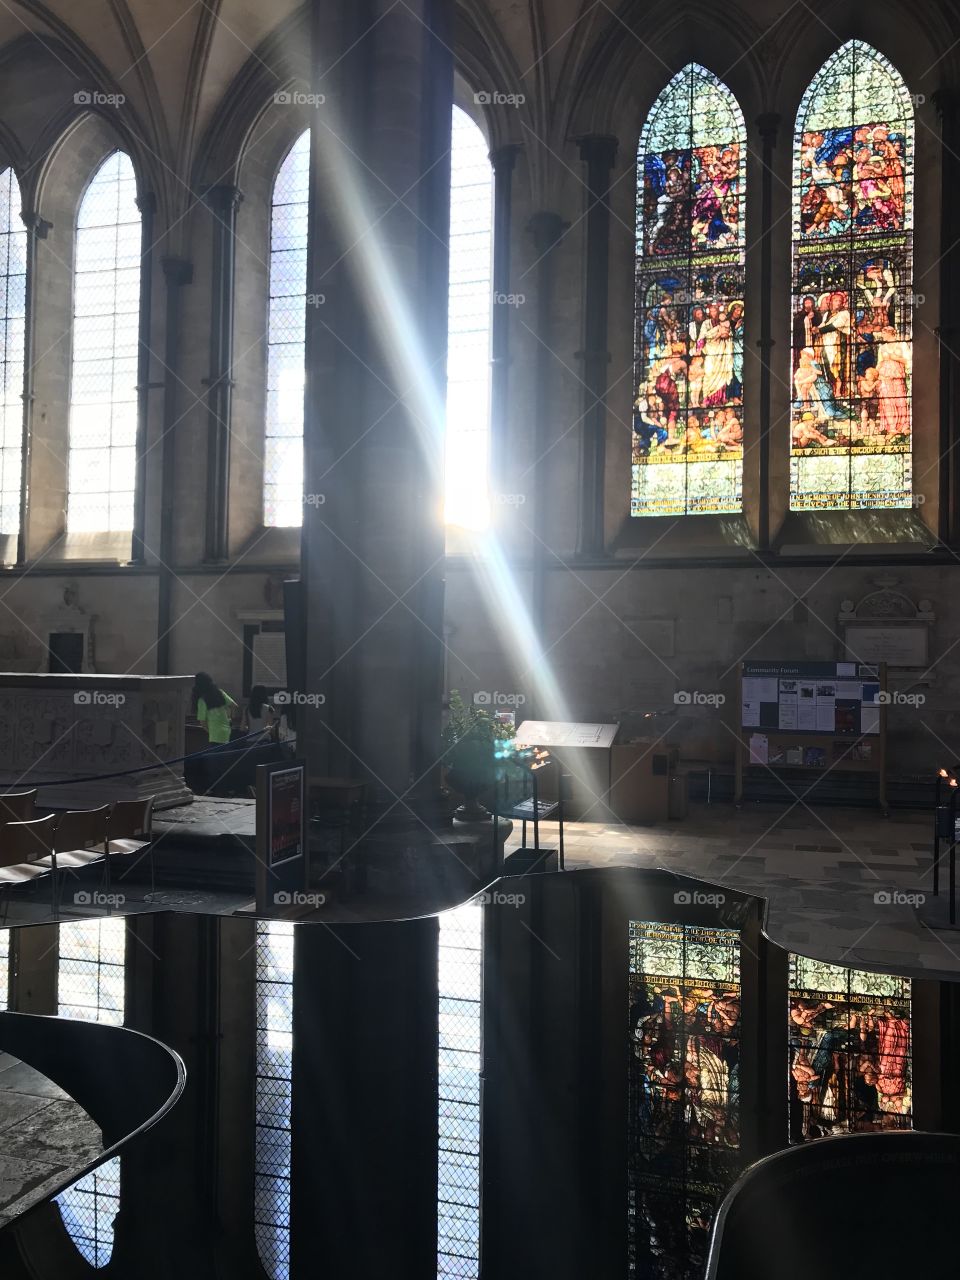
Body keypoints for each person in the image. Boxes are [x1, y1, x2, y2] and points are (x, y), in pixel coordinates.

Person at [193, 671, 237, 745]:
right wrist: (231, 719)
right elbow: (234, 706)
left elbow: (203, 723)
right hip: (227, 731)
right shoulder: (220, 693)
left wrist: (211, 732)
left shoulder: (202, 700)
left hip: (215, 736)